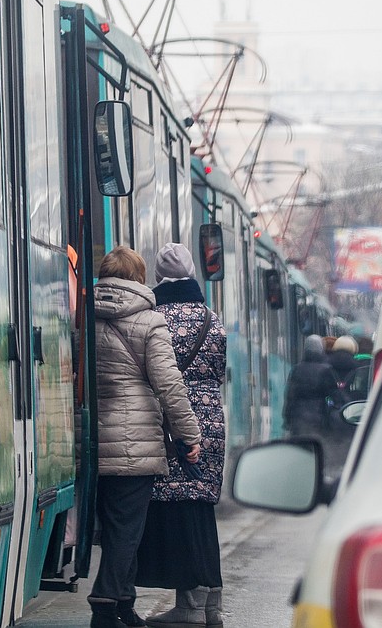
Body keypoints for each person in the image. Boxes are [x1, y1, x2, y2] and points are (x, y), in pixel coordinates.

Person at [90, 247, 203, 628]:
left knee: (116, 527)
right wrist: (189, 435)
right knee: (127, 529)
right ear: (138, 279)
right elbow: (169, 385)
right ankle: (104, 602)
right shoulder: (150, 322)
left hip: (89, 440)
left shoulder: (82, 318)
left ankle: (123, 603)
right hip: (133, 441)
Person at [136, 243, 228, 628]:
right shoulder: (213, 319)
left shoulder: (153, 318)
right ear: (192, 272)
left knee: (176, 509)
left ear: (159, 277)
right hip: (208, 421)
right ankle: (211, 607)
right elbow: (220, 370)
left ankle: (189, 606)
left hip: (170, 421)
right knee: (200, 509)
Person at [283, 335, 339, 446]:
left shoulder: (296, 369)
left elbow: (290, 396)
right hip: (319, 418)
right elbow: (334, 396)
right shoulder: (326, 370)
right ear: (321, 349)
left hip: (298, 419)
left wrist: (287, 418)